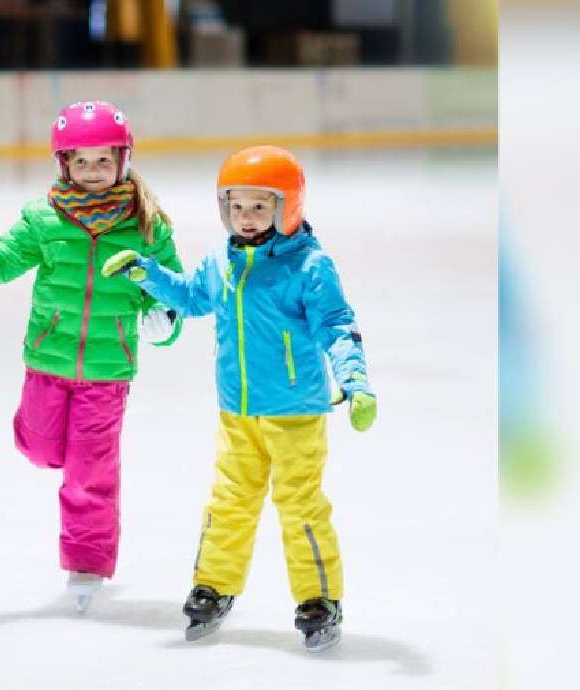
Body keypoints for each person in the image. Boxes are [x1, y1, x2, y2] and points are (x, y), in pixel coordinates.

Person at [101, 145, 377, 650]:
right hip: (237, 413)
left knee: (300, 507)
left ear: (287, 206)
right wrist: (147, 273)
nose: (245, 218)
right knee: (229, 502)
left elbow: (337, 327)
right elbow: (189, 298)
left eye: (259, 205)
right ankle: (214, 586)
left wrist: (355, 381)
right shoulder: (220, 260)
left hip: (295, 414)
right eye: (236, 206)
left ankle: (320, 598)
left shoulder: (309, 267)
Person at [0, 100, 184, 611]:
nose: (93, 172)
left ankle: (86, 566)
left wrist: (167, 322)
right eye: (81, 162)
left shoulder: (148, 226)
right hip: (47, 363)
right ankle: (49, 450)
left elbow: (172, 291)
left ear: (123, 161)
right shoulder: (43, 220)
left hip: (108, 374)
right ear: (63, 164)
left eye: (103, 161)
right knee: (42, 448)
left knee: (90, 471)